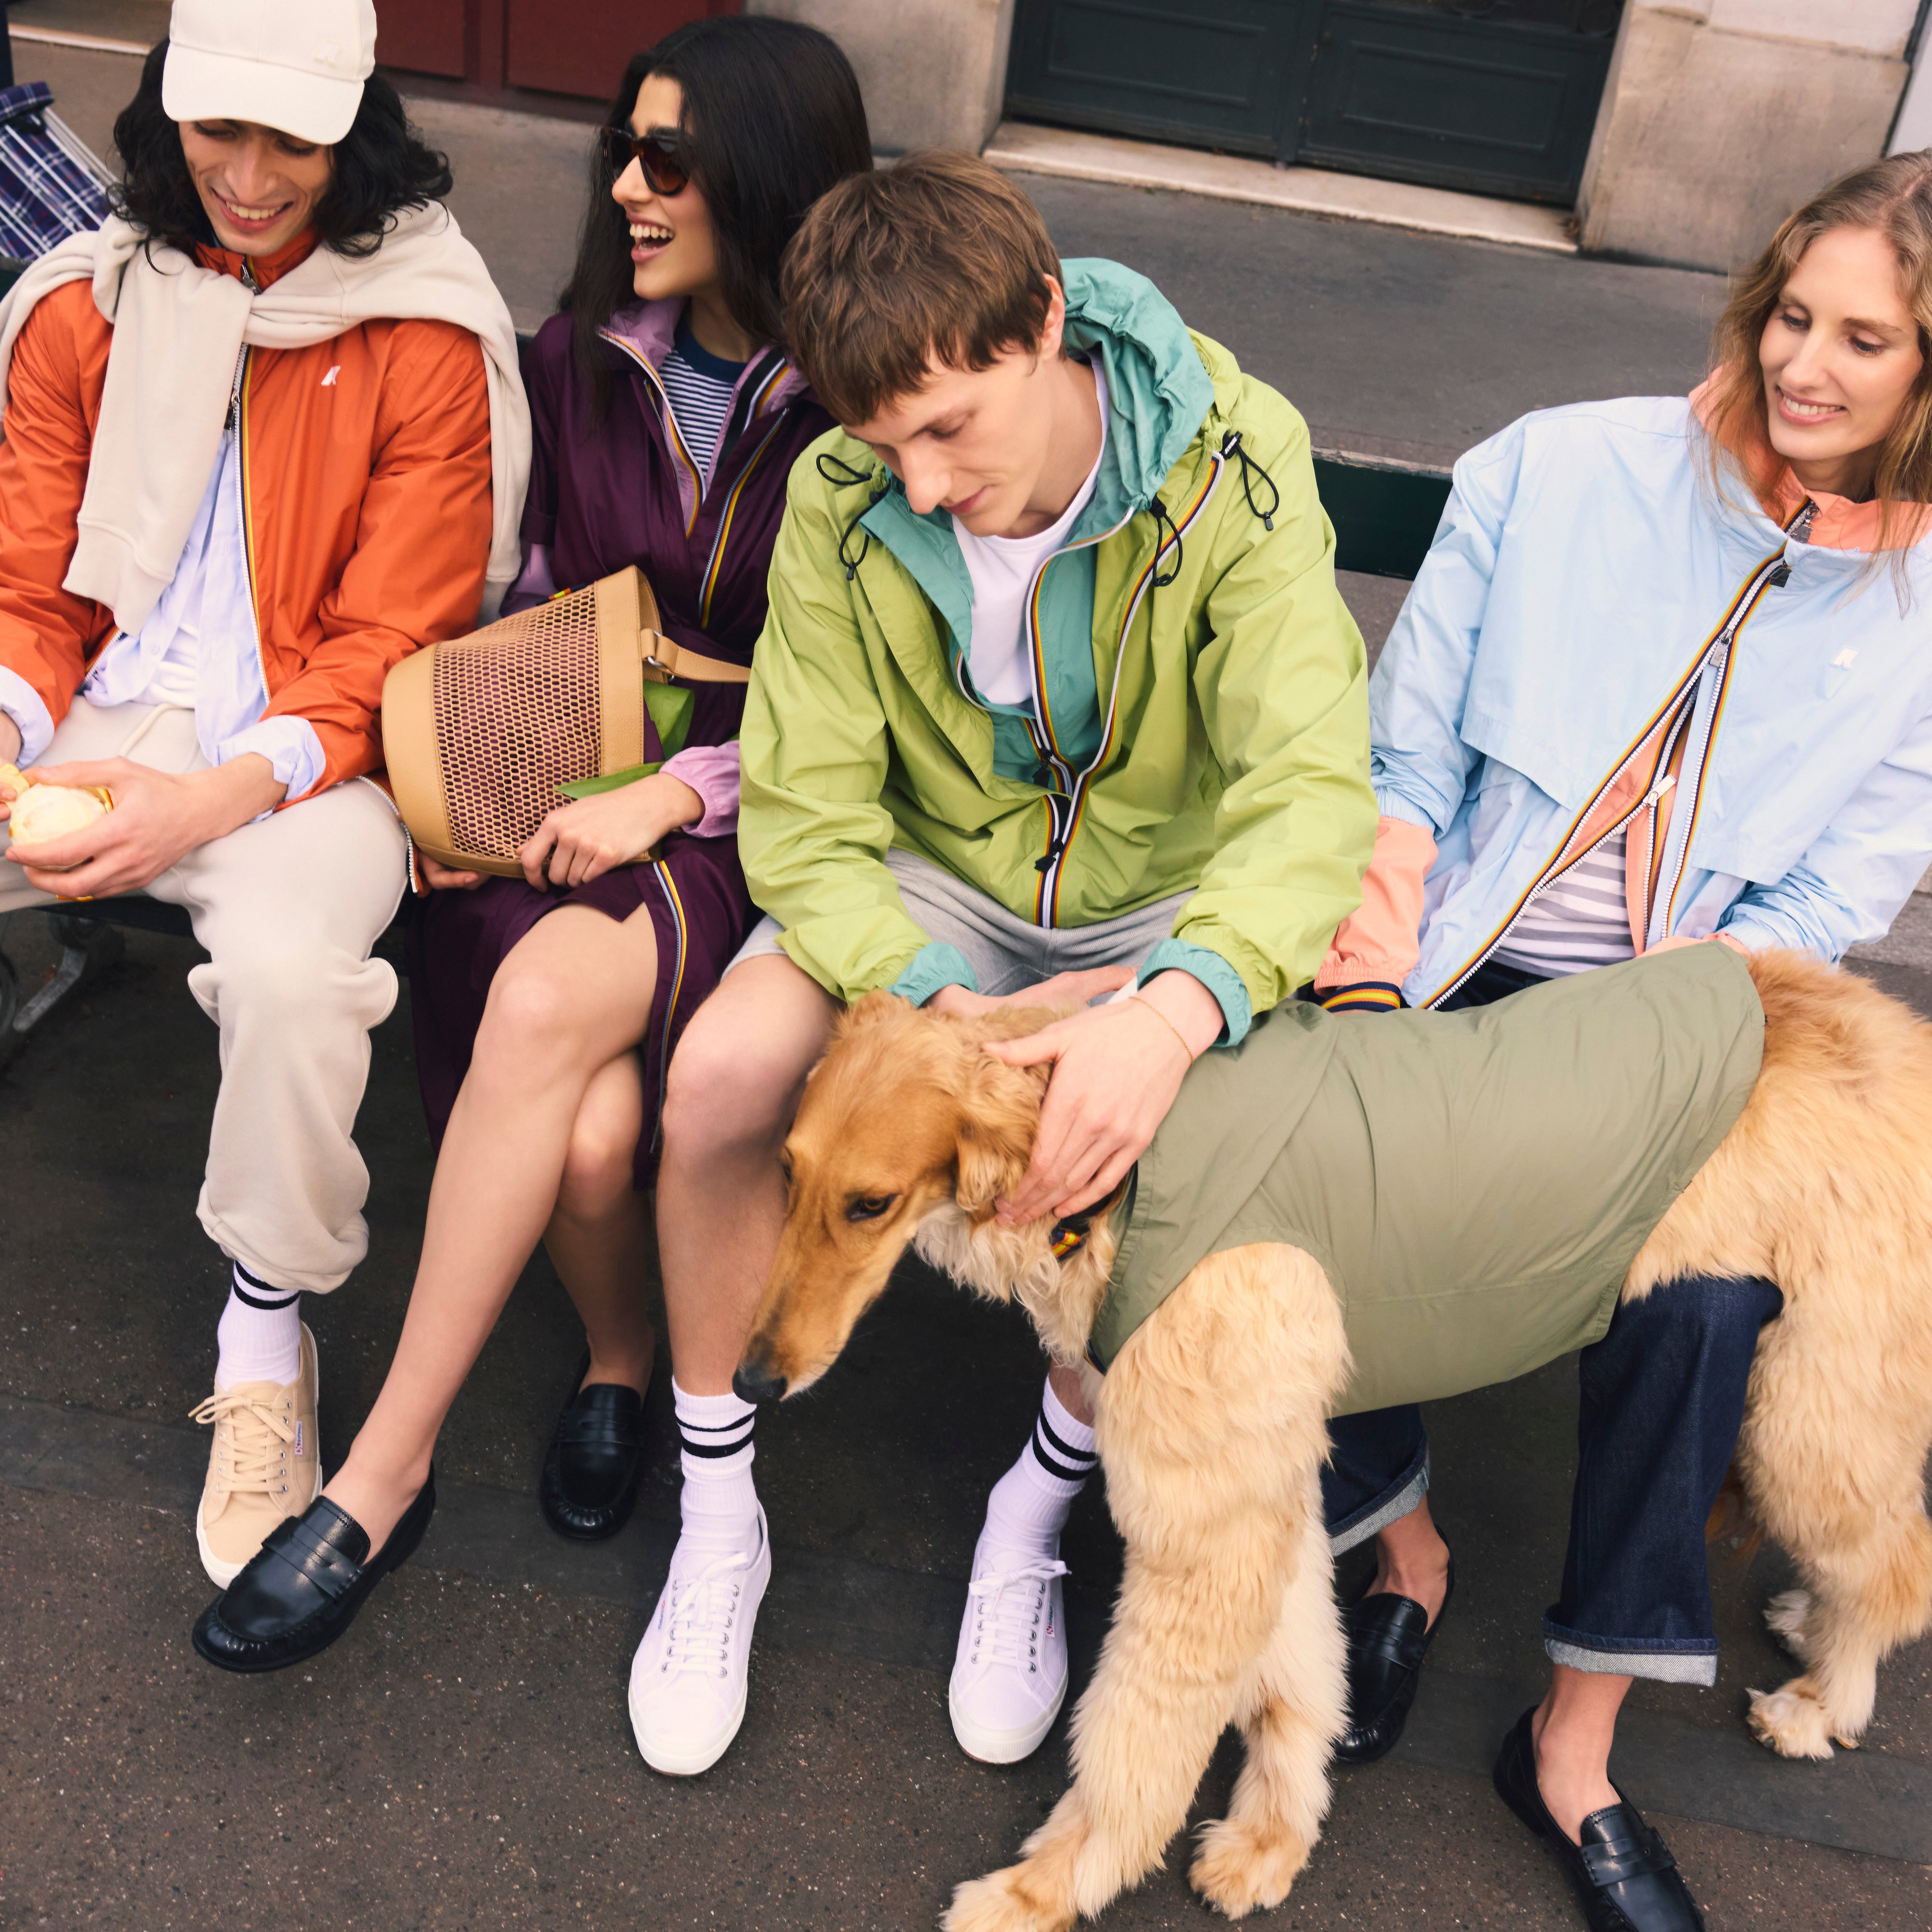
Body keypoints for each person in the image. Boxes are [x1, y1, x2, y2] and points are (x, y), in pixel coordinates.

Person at [630, 150, 1378, 1778]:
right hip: (927, 897)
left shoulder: (1235, 460)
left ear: (1043, 323)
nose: (914, 485)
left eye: (947, 430)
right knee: (721, 1080)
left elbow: (1311, 789)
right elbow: (809, 817)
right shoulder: (842, 498)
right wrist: (920, 991)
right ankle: (717, 1513)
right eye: (878, 441)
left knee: (1166, 1166)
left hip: (1159, 910)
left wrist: (1174, 1009)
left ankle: (1031, 1509)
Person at [189, 16, 872, 1671]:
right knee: (583, 1141)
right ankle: (619, 1360)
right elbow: (527, 590)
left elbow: (865, 699)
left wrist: (681, 792)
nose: (628, 184)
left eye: (670, 158)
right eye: (624, 149)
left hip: (758, 813)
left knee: (549, 1006)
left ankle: (380, 1475)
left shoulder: (864, 397)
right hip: (560, 795)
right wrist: (464, 779)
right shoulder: (577, 357)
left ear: (769, 177)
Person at [1309, 151, 1932, 1932]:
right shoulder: (1557, 465)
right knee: (1333, 1165)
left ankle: (1572, 1741)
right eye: (1791, 316)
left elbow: (1839, 884)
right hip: (1452, 956)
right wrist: (1372, 980)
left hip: (1680, 1019)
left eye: (1863, 340)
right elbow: (1403, 756)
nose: (1803, 364)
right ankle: (1403, 1551)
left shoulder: (1922, 608)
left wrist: (1661, 1034)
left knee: (1707, 1300)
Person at [0, 0, 524, 1595]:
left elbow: (393, 641)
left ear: (351, 131)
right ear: (170, 111)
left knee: (295, 979)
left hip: (308, 753)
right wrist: (10, 718)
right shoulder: (87, 305)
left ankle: (265, 1335)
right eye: (217, 128)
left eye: (290, 140)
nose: (246, 174)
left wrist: (207, 802)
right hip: (101, 705)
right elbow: (30, 584)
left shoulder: (422, 328)